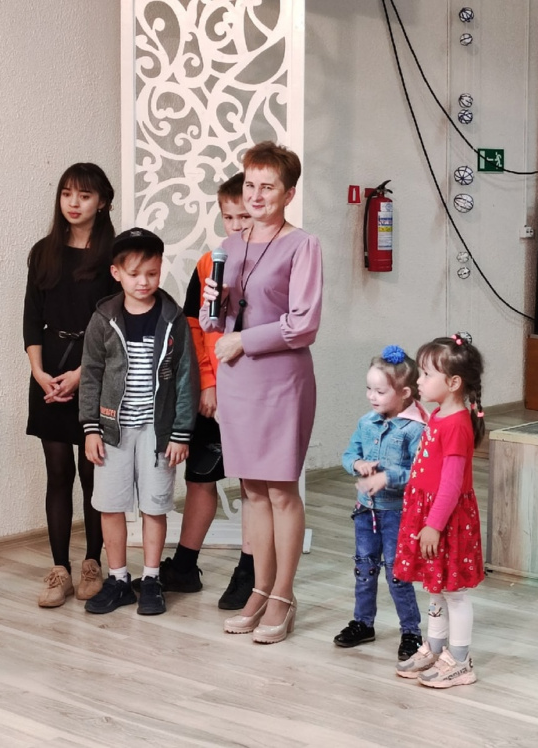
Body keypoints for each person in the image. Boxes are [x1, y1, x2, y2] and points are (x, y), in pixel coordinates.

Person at [200, 141, 323, 644]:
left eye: (267, 186)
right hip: (237, 378)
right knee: (251, 490)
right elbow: (214, 322)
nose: (255, 195)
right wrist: (213, 305)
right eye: (250, 184)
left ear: (288, 194)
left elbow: (304, 323)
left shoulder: (303, 245)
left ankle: (283, 595)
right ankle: (259, 588)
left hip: (280, 379)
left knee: (279, 490)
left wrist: (243, 340)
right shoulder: (229, 246)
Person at [79, 228, 199, 616]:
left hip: (157, 433)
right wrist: (91, 427)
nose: (143, 282)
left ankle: (150, 579)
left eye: (151, 273)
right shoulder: (104, 318)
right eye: (134, 274)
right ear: (117, 274)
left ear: (160, 269)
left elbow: (186, 376)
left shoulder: (172, 318)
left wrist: (180, 433)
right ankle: (118, 580)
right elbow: (91, 374)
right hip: (112, 432)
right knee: (110, 505)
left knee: (154, 506)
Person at [156, 173, 257, 610]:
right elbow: (195, 328)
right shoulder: (207, 264)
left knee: (254, 486)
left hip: (254, 393)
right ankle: (184, 566)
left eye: (244, 217)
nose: (236, 226)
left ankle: (250, 570)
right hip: (213, 394)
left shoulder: (269, 264)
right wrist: (208, 384)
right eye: (228, 217)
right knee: (200, 477)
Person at [23, 163, 118, 608]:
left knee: (92, 470)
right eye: (66, 194)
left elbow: (117, 322)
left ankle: (92, 562)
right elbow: (31, 317)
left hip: (94, 369)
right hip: (49, 371)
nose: (73, 203)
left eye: (84, 195)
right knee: (58, 471)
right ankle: (59, 568)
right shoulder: (43, 252)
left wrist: (82, 373)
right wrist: (38, 372)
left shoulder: (114, 255)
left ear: (102, 202)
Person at [393, 333, 486, 688]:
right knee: (435, 586)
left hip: (445, 519)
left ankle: (460, 660)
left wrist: (433, 524)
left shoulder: (458, 424)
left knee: (454, 592)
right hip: (429, 514)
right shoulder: (437, 414)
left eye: (427, 374)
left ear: (453, 383)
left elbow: (451, 485)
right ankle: (435, 648)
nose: (419, 380)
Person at [336, 345, 427, 661]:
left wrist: (388, 477)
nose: (371, 396)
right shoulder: (366, 423)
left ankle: (411, 632)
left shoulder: (416, 429)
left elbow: (421, 473)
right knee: (364, 568)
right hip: (366, 511)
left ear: (404, 393)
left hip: (398, 514)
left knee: (397, 574)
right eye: (369, 389)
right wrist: (357, 464)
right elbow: (349, 454)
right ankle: (363, 623)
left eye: (380, 391)